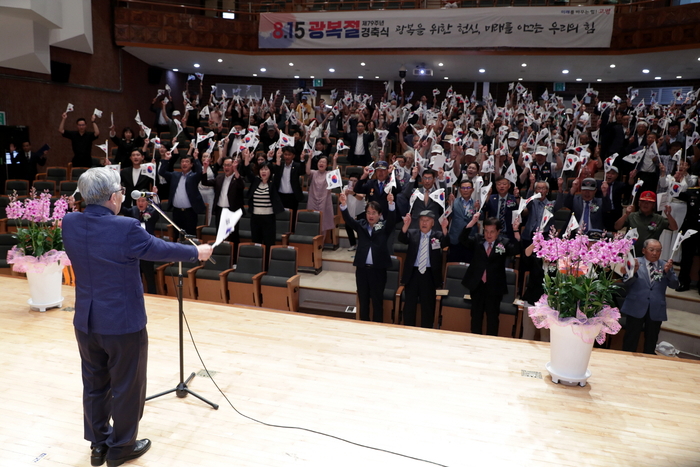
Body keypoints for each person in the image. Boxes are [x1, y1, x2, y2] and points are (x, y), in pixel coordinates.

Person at [62, 167, 212, 467]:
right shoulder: (126, 227)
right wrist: (198, 252)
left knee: (94, 384)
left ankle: (98, 444)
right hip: (122, 323)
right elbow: (159, 249)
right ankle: (121, 448)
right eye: (119, 190)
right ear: (112, 196)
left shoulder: (70, 222)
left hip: (86, 322)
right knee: (127, 386)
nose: (120, 195)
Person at [339, 191, 397, 322]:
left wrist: (391, 204)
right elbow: (348, 220)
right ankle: (363, 324)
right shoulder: (361, 225)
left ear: (379, 215)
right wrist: (343, 205)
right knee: (363, 300)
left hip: (378, 271)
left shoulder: (384, 227)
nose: (371, 216)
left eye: (374, 213)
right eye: (369, 213)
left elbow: (392, 220)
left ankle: (377, 327)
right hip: (362, 270)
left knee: (377, 302)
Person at [460, 215, 521, 336]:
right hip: (477, 285)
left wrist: (516, 231)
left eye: (492, 232)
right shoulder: (478, 240)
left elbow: (517, 250)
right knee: (476, 316)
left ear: (498, 231)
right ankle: (475, 339)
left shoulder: (503, 243)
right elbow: (462, 239)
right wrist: (472, 222)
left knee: (492, 317)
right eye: (486, 231)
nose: (488, 235)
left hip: (494, 287)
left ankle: (492, 342)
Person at [620, 239, 678, 354]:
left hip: (656, 308)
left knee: (651, 340)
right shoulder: (635, 262)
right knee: (631, 338)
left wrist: (668, 272)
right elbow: (626, 282)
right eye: (651, 250)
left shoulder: (665, 265)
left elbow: (675, 285)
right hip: (636, 306)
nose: (655, 253)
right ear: (643, 250)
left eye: (658, 251)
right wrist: (633, 272)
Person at [398, 210, 449, 328]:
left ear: (432, 223)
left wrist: (444, 228)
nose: (424, 223)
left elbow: (446, 243)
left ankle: (427, 330)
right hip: (413, 274)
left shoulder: (438, 235)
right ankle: (407, 329)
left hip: (429, 275)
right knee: (409, 305)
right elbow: (402, 238)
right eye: (422, 220)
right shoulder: (412, 233)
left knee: (427, 306)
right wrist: (405, 225)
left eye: (427, 220)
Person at [242, 149, 284, 256]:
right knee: (256, 243)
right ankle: (257, 264)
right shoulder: (256, 181)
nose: (263, 172)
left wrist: (278, 158)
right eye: (262, 170)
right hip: (255, 217)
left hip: (268, 218)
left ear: (270, 171)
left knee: (269, 243)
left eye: (266, 169)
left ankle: (267, 266)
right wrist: (246, 158)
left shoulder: (273, 183)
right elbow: (247, 171)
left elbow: (278, 173)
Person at [200, 156, 245, 255]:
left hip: (232, 211)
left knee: (233, 235)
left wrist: (236, 170)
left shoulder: (236, 178)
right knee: (219, 234)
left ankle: (234, 259)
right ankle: (220, 255)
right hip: (220, 210)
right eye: (225, 165)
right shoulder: (219, 177)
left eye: (229, 165)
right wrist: (205, 168)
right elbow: (205, 182)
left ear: (233, 166)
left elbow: (241, 186)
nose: (226, 167)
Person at [615, 191, 679, 257]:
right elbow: (617, 227)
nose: (645, 204)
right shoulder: (632, 216)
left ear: (653, 205)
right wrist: (626, 214)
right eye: (643, 201)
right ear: (639, 203)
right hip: (631, 254)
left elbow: (674, 228)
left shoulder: (659, 219)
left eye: (649, 202)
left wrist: (669, 215)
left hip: (650, 255)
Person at [121, 195, 161, 294]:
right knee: (136, 274)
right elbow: (122, 209)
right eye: (138, 201)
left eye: (143, 201)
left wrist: (156, 199)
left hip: (147, 248)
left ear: (147, 202)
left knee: (149, 275)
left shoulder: (152, 211)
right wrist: (121, 196)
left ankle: (153, 294)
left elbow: (159, 212)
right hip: (135, 248)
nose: (140, 203)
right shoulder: (133, 210)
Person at [158, 152, 205, 236]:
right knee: (176, 234)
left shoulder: (193, 176)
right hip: (177, 211)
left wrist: (196, 157)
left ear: (191, 165)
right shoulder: (175, 175)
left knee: (190, 234)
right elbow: (162, 172)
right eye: (182, 162)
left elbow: (200, 172)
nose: (184, 164)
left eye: (187, 162)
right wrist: (166, 159)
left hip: (190, 212)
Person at [305, 151, 338, 238]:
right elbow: (307, 171)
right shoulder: (314, 173)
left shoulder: (328, 174)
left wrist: (334, 160)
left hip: (325, 201)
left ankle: (320, 245)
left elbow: (334, 173)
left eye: (324, 162)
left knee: (324, 222)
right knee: (312, 220)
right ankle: (312, 242)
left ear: (327, 165)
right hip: (313, 200)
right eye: (320, 162)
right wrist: (309, 157)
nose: (321, 163)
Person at [273, 146, 304, 229]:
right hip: (280, 196)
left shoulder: (297, 166)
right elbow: (274, 174)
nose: (287, 157)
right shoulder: (280, 165)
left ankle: (291, 233)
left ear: (293, 156)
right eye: (285, 154)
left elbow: (302, 171)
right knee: (279, 216)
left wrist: (302, 160)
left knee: (292, 218)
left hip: (292, 197)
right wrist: (277, 158)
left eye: (289, 155)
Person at [447, 180, 477, 263]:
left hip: (470, 238)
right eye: (463, 188)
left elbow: (480, 217)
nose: (465, 190)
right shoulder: (454, 202)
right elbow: (448, 215)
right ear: (460, 190)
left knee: (468, 266)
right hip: (455, 238)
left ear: (472, 189)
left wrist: (477, 209)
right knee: (453, 264)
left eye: (468, 188)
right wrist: (450, 204)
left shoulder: (476, 204)